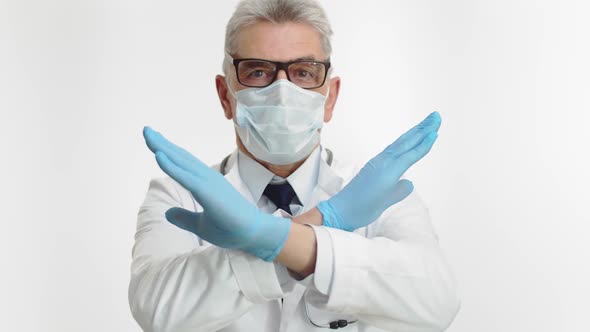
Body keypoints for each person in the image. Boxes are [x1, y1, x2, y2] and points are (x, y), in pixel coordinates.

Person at [128, 0, 460, 331]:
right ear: (225, 95)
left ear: (329, 97)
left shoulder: (379, 192)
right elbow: (158, 311)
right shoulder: (177, 193)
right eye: (258, 71)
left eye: (304, 73)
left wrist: (270, 240)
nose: (283, 91)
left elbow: (437, 302)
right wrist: (323, 227)